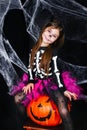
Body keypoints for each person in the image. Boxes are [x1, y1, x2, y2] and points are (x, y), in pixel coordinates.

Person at [21, 19, 78, 130]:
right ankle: (25, 122)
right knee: (18, 99)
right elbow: (30, 67)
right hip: (37, 81)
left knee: (63, 108)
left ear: (56, 40)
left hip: (50, 82)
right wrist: (31, 81)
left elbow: (57, 72)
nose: (49, 36)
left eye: (54, 36)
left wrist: (63, 90)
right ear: (44, 30)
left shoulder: (53, 52)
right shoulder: (33, 48)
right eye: (49, 31)